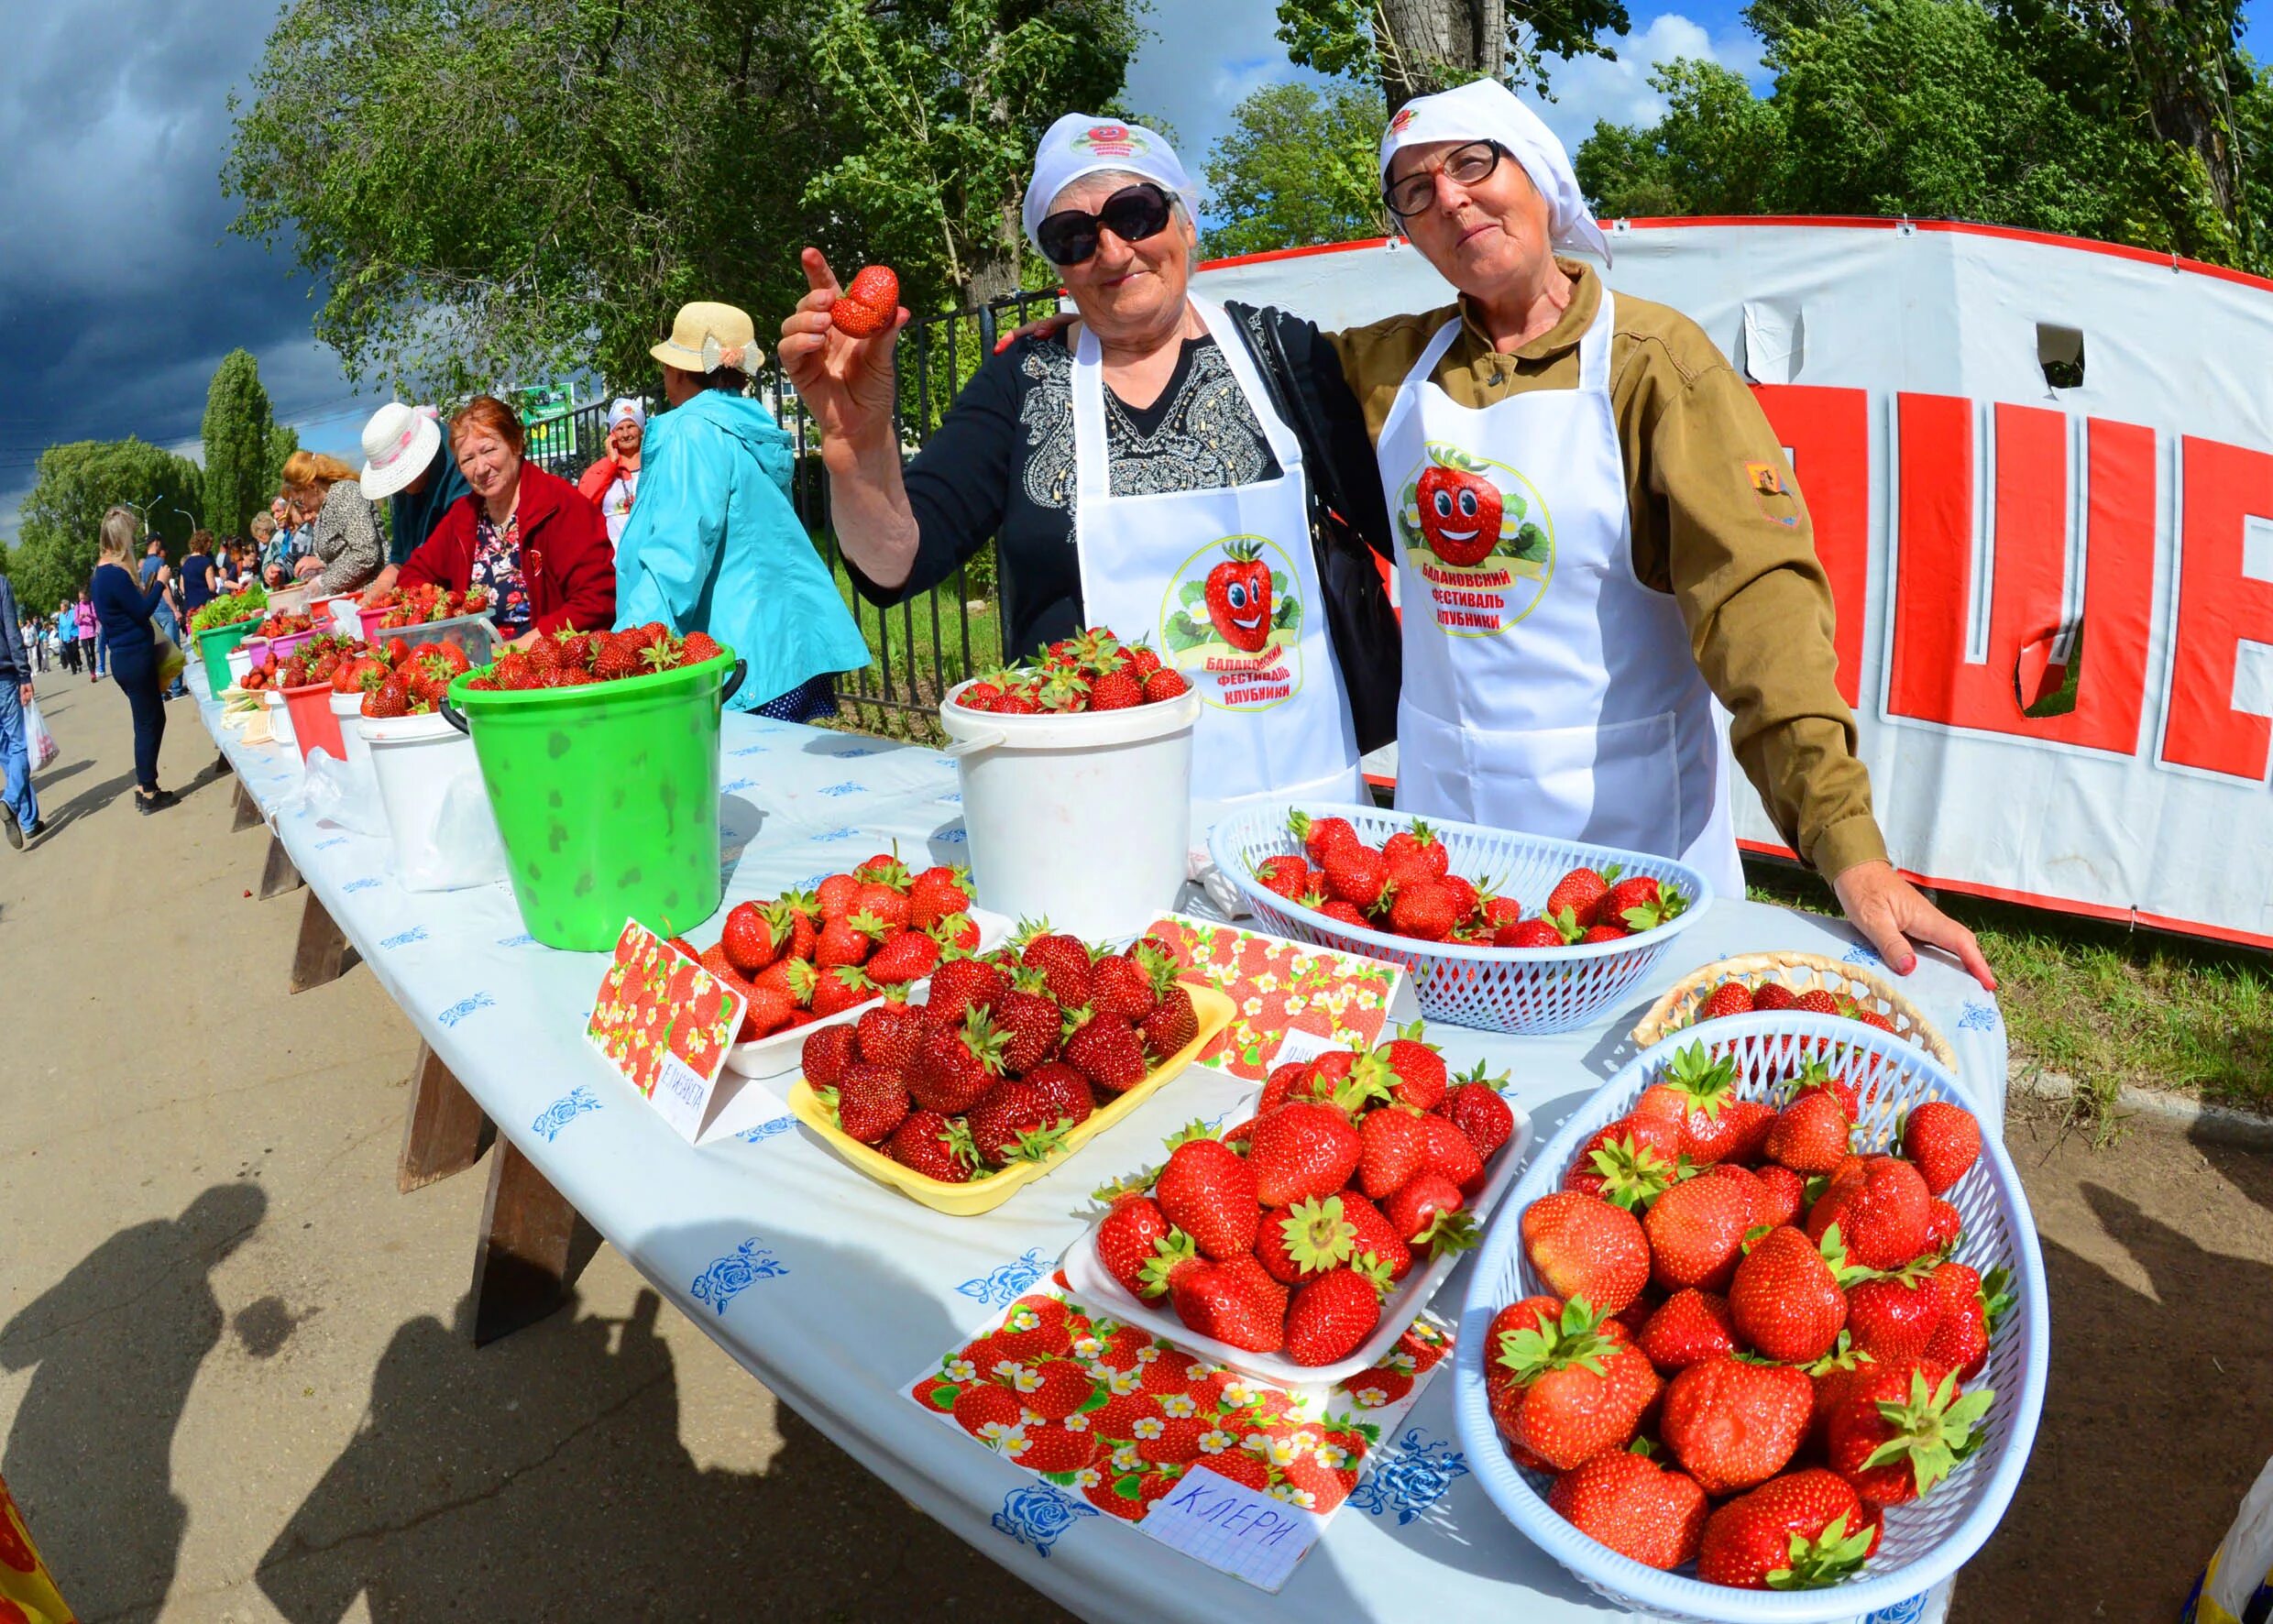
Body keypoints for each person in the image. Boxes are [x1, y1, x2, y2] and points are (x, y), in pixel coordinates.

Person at [1316, 79, 1987, 986]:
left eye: (1471, 163)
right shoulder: (1383, 368)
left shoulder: (1654, 365)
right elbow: (1223, 362)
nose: (1449, 198)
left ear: (1541, 175)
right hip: (1448, 848)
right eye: (1414, 190)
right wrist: (1084, 328)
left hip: (1628, 855)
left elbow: (1759, 608)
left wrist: (1846, 844)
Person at [782, 114, 1396, 829]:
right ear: (1058, 264)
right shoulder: (1021, 381)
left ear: (1188, 224)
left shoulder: (1281, 352)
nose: (1111, 251)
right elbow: (895, 564)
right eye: (1073, 236)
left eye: (1136, 214)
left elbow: (1408, 526)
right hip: (1085, 817)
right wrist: (855, 440)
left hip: (1297, 811)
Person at [615, 306, 868, 719]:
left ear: (679, 373)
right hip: (785, 650)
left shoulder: (693, 430)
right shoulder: (749, 423)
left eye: (667, 367)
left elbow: (679, 551)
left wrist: (626, 646)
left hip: (738, 660)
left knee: (733, 781)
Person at [360, 395, 615, 642]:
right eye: (468, 459)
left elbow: (597, 599)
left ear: (515, 444)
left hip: (549, 660)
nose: (481, 468)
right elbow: (414, 573)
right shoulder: (464, 517)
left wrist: (528, 644)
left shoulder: (559, 505)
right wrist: (447, 616)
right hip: (477, 660)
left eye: (489, 450)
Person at [90, 507, 178, 812]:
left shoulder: (101, 574)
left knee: (151, 720)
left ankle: (147, 786)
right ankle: (147, 790)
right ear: (121, 538)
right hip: (134, 658)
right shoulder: (113, 574)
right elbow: (142, 611)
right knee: (148, 723)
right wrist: (161, 583)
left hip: (127, 658)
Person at [357, 401, 471, 565]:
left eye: (401, 474)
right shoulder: (404, 489)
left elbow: (457, 548)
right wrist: (389, 574)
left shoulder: (459, 466)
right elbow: (399, 554)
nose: (401, 485)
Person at [278, 450, 384, 596]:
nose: (303, 510)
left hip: (373, 592)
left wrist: (324, 582)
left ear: (312, 487)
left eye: (300, 502)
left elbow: (366, 553)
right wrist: (320, 565)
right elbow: (343, 554)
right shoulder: (325, 507)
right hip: (354, 596)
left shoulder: (345, 493)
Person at [0, 572, 40, 847]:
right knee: (19, 746)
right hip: (3, 677)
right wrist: (24, 674)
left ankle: (28, 820)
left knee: (5, 751)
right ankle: (11, 801)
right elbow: (12, 632)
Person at [578, 398, 646, 543]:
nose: (626, 434)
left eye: (631, 426)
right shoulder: (600, 469)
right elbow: (583, 505)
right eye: (620, 429)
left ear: (641, 430)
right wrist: (611, 463)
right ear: (612, 435)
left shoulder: (653, 464)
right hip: (614, 560)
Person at [179, 531, 220, 621]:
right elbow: (212, 587)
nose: (210, 546)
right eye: (210, 543)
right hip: (205, 606)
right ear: (204, 543)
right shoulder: (206, 562)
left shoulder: (185, 564)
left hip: (190, 607)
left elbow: (182, 588)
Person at [72, 589, 100, 681]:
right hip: (82, 634)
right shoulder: (77, 607)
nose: (82, 600)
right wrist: (80, 617)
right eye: (80, 598)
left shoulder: (91, 604)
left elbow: (96, 617)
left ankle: (94, 670)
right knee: (87, 654)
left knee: (92, 653)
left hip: (91, 632)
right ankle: (92, 673)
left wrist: (89, 615)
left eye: (83, 598)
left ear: (86, 597)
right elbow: (76, 622)